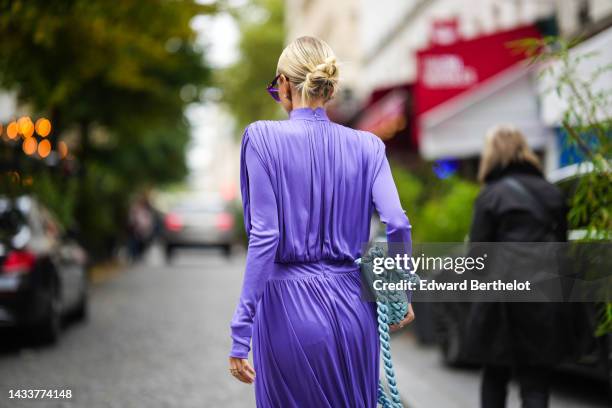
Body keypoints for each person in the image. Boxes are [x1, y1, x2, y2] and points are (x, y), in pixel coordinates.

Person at [228, 36, 414, 407]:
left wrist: (240, 331)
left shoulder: (261, 139)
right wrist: (400, 292)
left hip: (287, 309)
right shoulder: (368, 146)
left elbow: (266, 236)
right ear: (329, 88)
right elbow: (397, 222)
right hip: (355, 312)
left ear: (283, 84)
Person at [466, 125, 574, 408]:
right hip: (543, 296)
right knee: (536, 382)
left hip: (500, 300)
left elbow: (477, 257)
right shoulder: (552, 193)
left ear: (492, 154)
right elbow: (563, 249)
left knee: (495, 376)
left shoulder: (491, 195)